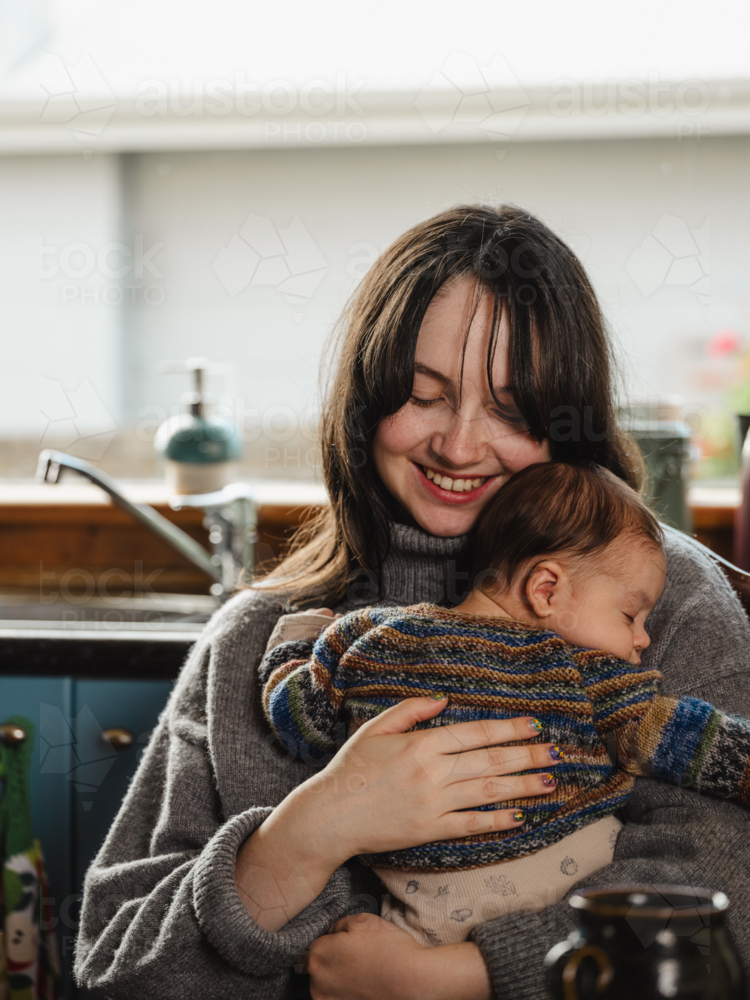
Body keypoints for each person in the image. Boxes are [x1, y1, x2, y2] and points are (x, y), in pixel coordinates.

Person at [74, 205, 750, 1000]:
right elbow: (118, 971)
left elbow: (726, 907)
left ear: (569, 422)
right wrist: (308, 833)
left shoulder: (661, 603)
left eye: (512, 411)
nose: (460, 447)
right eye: (424, 397)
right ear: (365, 403)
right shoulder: (262, 640)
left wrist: (468, 975)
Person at [259, 460, 750, 947]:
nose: (642, 639)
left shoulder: (370, 637)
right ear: (546, 589)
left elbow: (299, 722)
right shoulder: (578, 671)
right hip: (572, 904)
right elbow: (689, 738)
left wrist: (294, 648)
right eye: (630, 615)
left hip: (422, 919)